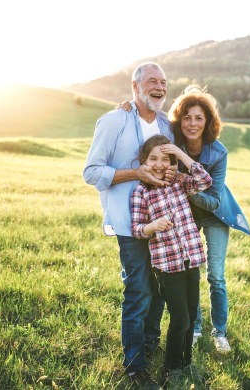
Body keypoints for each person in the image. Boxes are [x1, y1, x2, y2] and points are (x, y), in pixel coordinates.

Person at [118, 85, 250, 354]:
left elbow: (212, 197)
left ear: (208, 121)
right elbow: (149, 119)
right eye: (187, 117)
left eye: (199, 117)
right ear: (180, 120)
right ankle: (195, 328)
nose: (192, 123)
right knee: (191, 274)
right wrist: (128, 107)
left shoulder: (218, 152)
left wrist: (183, 181)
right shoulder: (171, 143)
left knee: (215, 276)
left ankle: (220, 332)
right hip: (184, 218)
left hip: (213, 213)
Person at [83, 62, 175, 389]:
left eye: (164, 82)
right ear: (135, 87)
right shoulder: (114, 121)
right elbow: (92, 172)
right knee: (138, 290)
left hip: (163, 223)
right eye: (152, 81)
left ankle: (150, 342)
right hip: (128, 222)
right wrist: (135, 173)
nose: (159, 86)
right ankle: (135, 365)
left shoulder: (167, 123)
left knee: (160, 288)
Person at [131, 135, 211, 383]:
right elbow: (136, 228)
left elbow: (204, 180)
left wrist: (180, 153)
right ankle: (171, 368)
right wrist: (152, 225)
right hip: (167, 266)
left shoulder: (177, 182)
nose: (159, 163)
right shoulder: (141, 192)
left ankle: (187, 363)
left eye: (165, 159)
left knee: (190, 315)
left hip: (191, 260)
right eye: (153, 158)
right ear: (143, 161)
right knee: (181, 319)